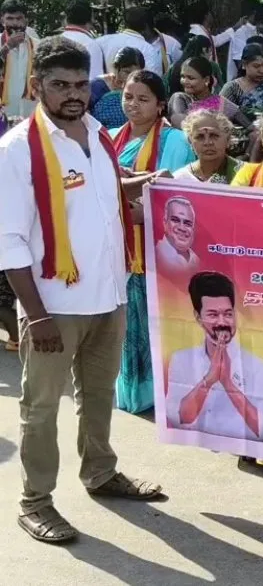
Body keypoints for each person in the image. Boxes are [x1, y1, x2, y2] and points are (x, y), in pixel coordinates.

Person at [0, 36, 164, 544]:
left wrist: (159, 182)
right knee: (41, 407)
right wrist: (37, 316)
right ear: (36, 86)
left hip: (109, 294)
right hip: (54, 306)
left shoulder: (98, 133)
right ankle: (35, 502)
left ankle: (100, 472)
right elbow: (8, 241)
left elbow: (104, 195)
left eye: (79, 84)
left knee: (98, 395)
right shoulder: (17, 150)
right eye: (60, 85)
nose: (73, 94)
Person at [112, 70, 197, 414]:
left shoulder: (175, 141)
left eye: (143, 99)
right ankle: (133, 391)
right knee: (125, 324)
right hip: (120, 247)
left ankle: (165, 395)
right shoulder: (112, 137)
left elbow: (175, 195)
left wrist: (137, 211)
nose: (133, 105)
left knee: (159, 323)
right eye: (128, 97)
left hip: (158, 249)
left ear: (160, 104)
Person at [165, 271, 263, 444]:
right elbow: (176, 417)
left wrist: (229, 384)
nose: (222, 322)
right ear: (198, 317)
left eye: (228, 314)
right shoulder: (181, 359)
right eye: (213, 315)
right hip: (198, 452)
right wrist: (208, 381)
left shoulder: (259, 367)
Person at [166, 56, 251, 131]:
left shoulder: (221, 102)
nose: (185, 81)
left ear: (206, 80)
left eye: (191, 78)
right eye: (183, 77)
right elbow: (181, 125)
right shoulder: (180, 98)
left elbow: (249, 126)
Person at [174, 110, 244, 183]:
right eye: (200, 136)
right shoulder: (180, 179)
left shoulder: (247, 175)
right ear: (190, 141)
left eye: (214, 135)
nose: (207, 142)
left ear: (228, 139)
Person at [90, 47, 145, 130]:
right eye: (127, 72)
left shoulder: (141, 88)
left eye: (136, 73)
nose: (131, 76)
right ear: (116, 68)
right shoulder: (97, 86)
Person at [97, 7, 154, 79]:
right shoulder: (148, 49)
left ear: (125, 24)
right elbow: (152, 81)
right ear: (147, 26)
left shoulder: (101, 41)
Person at [60, 1, 104, 80]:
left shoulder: (55, 42)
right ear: (91, 19)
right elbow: (95, 80)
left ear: (66, 20)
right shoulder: (90, 45)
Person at [155, 197, 199, 274]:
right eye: (175, 220)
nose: (182, 228)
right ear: (165, 222)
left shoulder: (196, 261)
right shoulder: (155, 253)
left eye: (187, 223)